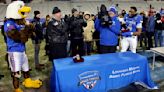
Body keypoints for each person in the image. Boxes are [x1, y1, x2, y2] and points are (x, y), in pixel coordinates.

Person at [4, 1, 42, 92]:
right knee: (16, 71)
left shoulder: (20, 21)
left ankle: (27, 81)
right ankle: (16, 88)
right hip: (14, 51)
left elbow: (27, 34)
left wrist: (30, 27)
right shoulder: (9, 23)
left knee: (26, 67)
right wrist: (27, 28)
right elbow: (17, 36)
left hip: (22, 50)